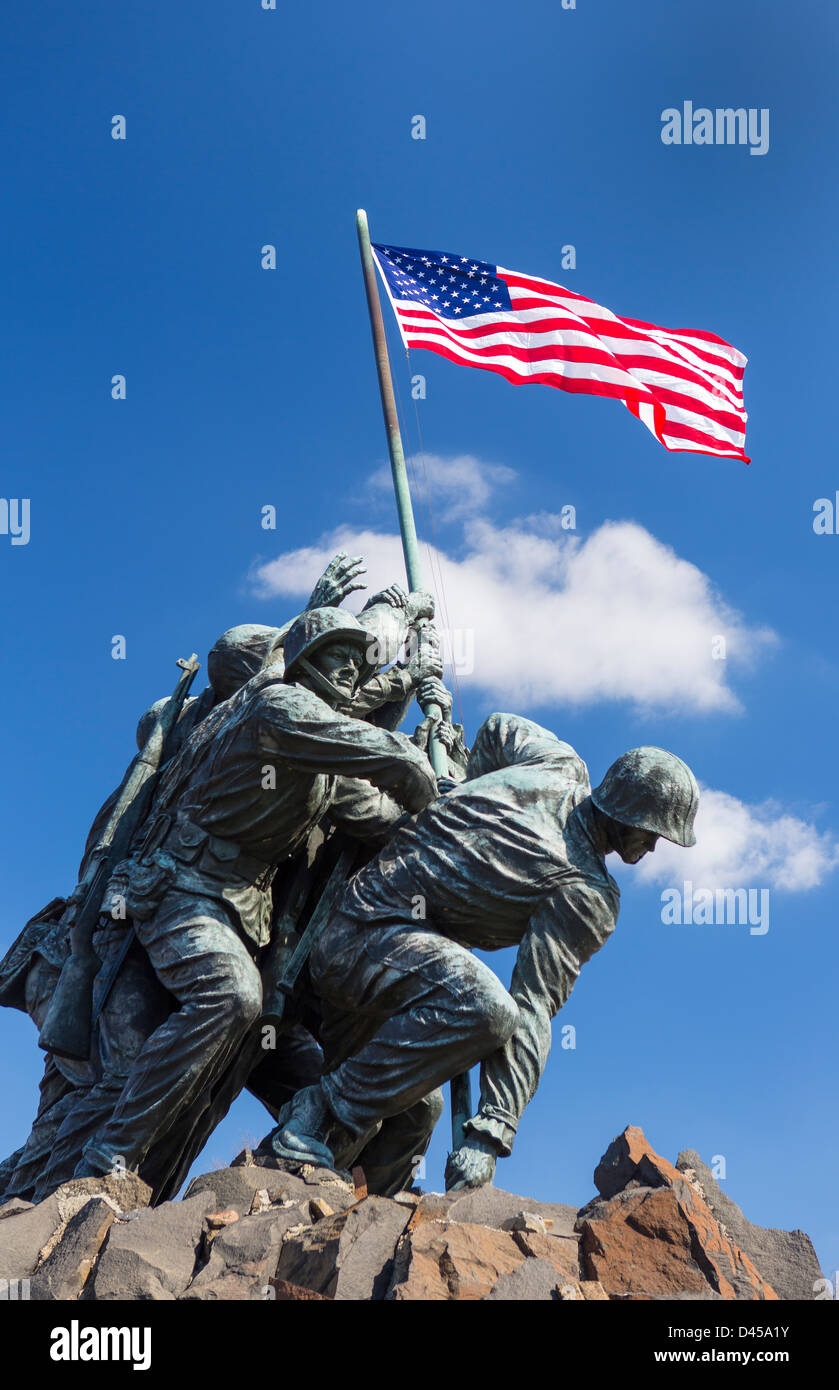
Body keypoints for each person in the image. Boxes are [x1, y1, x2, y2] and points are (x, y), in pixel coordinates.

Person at [259, 713, 699, 1191]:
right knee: (485, 1009)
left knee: (416, 1113)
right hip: (364, 935)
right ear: (625, 812)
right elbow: (532, 1005)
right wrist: (493, 1130)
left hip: (384, 962)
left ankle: (348, 1209)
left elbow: (496, 730)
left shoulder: (557, 762)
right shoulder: (585, 893)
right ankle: (317, 1110)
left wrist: (466, 787)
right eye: (653, 832)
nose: (654, 847)